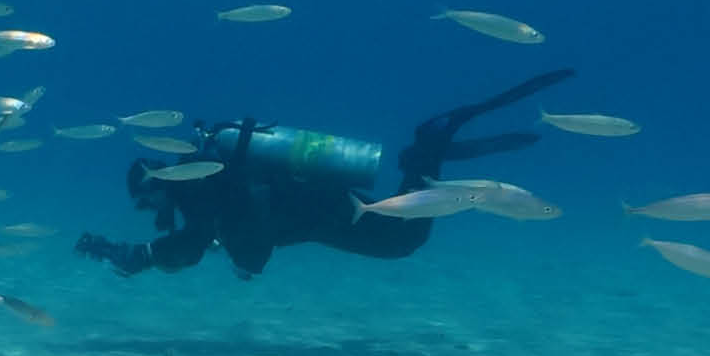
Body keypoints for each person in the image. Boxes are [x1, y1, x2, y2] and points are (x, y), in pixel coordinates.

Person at [75, 69, 575, 280]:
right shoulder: (209, 177)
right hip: (323, 207)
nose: (152, 212)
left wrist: (139, 256)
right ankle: (425, 158)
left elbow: (200, 242)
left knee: (402, 243)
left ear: (155, 186)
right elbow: (217, 234)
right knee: (404, 235)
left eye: (147, 202)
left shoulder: (201, 188)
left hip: (329, 215)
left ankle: (427, 152)